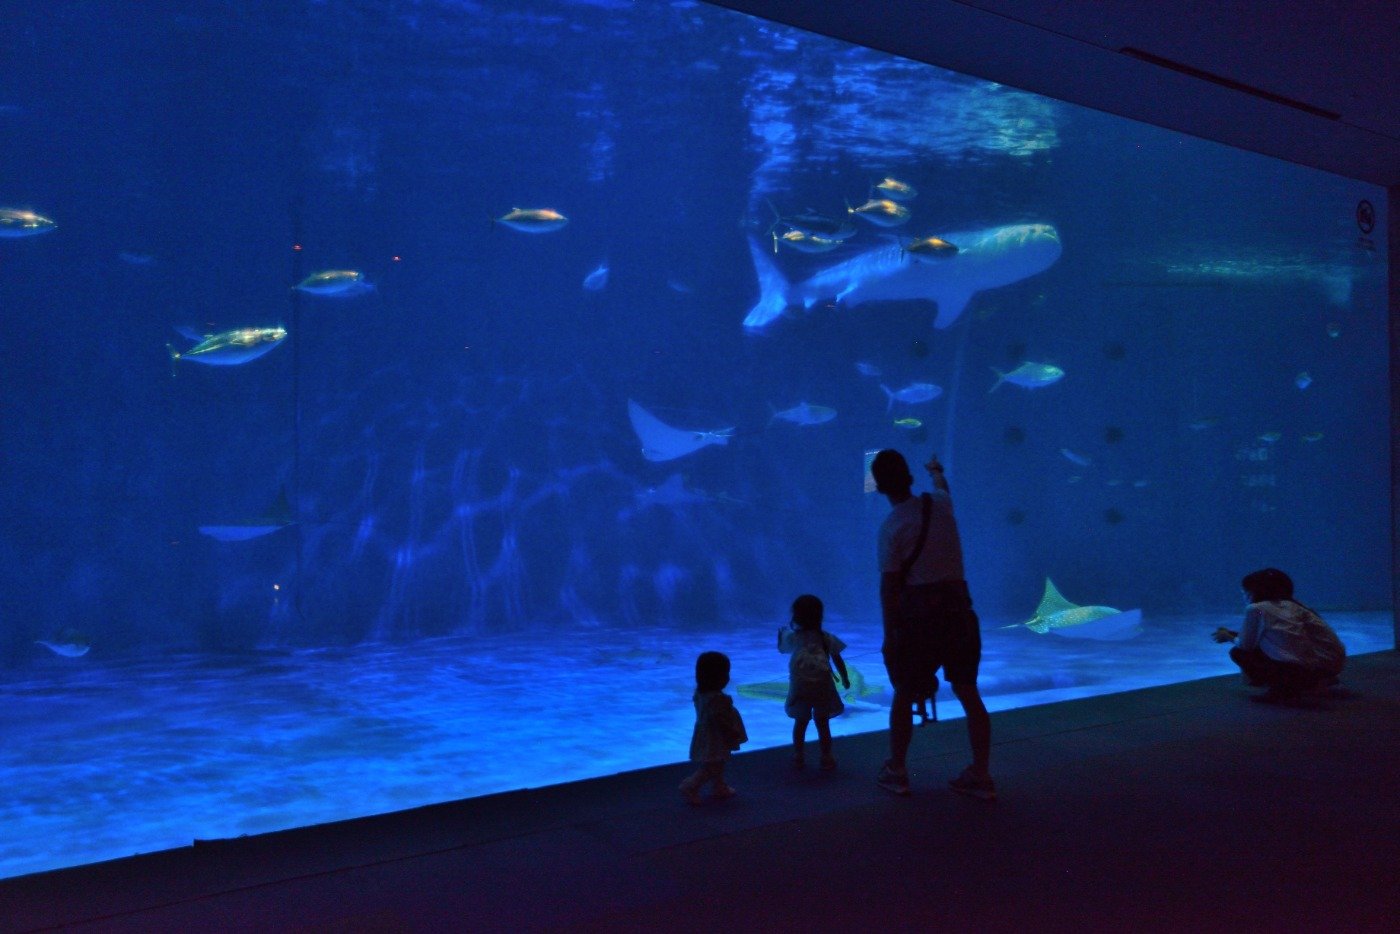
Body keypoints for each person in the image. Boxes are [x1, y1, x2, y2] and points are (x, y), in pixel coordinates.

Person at [870, 449, 994, 799]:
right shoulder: (941, 505)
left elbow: (889, 588)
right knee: (970, 694)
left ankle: (897, 769)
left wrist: (889, 635)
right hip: (959, 616)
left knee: (905, 694)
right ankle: (981, 775)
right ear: (910, 478)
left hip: (921, 623)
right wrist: (936, 470)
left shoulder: (891, 527)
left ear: (879, 488)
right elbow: (942, 487)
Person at [1212, 568, 1345, 699]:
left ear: (1253, 592)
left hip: (1302, 669)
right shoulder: (1293, 606)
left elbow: (1246, 645)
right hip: (1333, 664)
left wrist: (1228, 636)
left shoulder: (1257, 609)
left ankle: (1285, 688)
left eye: (1245, 592)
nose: (1244, 596)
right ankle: (1320, 680)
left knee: (1238, 653)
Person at [779, 594, 851, 771]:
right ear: (820, 616)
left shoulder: (794, 637)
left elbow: (781, 648)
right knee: (822, 722)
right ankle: (826, 756)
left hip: (800, 686)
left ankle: (798, 755)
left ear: (796, 616)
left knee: (800, 721)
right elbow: (837, 658)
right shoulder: (826, 637)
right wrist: (845, 677)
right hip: (822, 686)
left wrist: (780, 634)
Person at [679, 651, 748, 804]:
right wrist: (732, 731)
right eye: (725, 673)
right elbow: (720, 720)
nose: (728, 677)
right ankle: (691, 785)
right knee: (712, 765)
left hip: (705, 735)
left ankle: (719, 786)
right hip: (717, 737)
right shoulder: (719, 699)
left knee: (717, 761)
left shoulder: (700, 694)